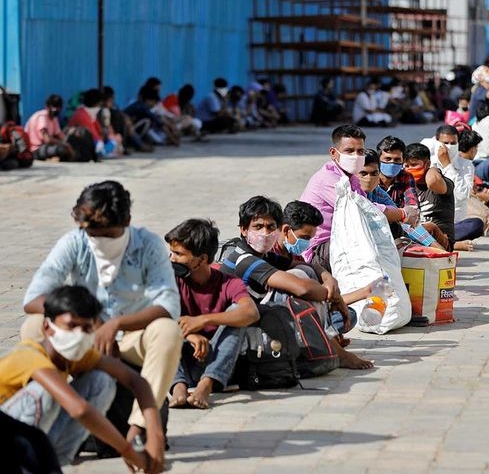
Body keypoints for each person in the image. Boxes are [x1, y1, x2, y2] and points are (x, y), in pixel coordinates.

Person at [21, 180, 182, 445]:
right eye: (92, 233)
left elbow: (168, 306)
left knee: (168, 331)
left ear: (127, 220)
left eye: (108, 234)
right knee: (34, 326)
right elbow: (33, 299)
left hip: (131, 338)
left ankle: (141, 426)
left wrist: (116, 324)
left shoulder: (148, 245)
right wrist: (85, 324)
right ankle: (43, 414)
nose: (98, 240)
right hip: (83, 335)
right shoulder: (75, 242)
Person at [2, 286, 164, 471]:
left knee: (101, 382)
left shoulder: (76, 356)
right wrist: (129, 452)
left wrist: (155, 436)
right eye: (71, 326)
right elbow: (80, 409)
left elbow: (137, 381)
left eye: (86, 328)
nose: (78, 334)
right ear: (47, 327)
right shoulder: (30, 355)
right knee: (45, 391)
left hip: (28, 438)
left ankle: (52, 462)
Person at [219, 196, 372, 369]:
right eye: (258, 226)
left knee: (306, 274)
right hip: (241, 328)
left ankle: (323, 339)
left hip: (263, 318)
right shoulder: (245, 259)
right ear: (244, 230)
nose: (265, 232)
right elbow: (301, 289)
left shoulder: (265, 255)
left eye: (270, 227)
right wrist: (336, 299)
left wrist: (329, 279)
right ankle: (331, 346)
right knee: (291, 288)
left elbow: (309, 267)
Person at [165, 219, 258, 409]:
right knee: (160, 324)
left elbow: (251, 312)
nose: (171, 259)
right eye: (172, 252)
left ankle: (205, 386)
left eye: (178, 254)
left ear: (203, 259)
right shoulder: (169, 279)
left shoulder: (229, 283)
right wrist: (190, 335)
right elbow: (157, 316)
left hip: (219, 363)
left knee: (237, 313)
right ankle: (178, 386)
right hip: (181, 358)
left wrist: (203, 320)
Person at [299, 125, 407, 272]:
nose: (356, 156)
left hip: (340, 242)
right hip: (321, 249)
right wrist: (403, 214)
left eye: (360, 151)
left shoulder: (352, 178)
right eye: (349, 151)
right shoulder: (329, 178)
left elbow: (380, 208)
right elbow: (365, 211)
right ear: (333, 153)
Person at [358, 149, 445, 251]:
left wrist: (435, 247)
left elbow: (406, 220)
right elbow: (374, 210)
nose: (369, 178)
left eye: (374, 173)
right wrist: (401, 214)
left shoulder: (377, 191)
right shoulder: (348, 191)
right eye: (363, 174)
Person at [421, 125, 484, 251]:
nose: (449, 147)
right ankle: (452, 244)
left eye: (453, 143)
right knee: (423, 228)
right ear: (437, 142)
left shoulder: (466, 165)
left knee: (476, 225)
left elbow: (462, 195)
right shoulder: (429, 162)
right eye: (445, 143)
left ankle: (444, 242)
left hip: (452, 224)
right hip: (427, 219)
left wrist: (447, 165)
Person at [403, 143, 455, 250]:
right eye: (406, 166)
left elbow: (433, 181)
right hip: (410, 235)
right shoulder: (404, 186)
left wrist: (433, 169)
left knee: (428, 227)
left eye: (414, 165)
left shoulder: (442, 183)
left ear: (427, 164)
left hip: (439, 238)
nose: (409, 169)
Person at [24, 95, 74, 161]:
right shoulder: (42, 117)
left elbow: (59, 134)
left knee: (70, 147)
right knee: (61, 150)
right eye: (53, 106)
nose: (55, 109)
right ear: (47, 107)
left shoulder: (54, 118)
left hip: (45, 147)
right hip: (35, 149)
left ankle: (54, 157)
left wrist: (69, 143)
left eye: (57, 107)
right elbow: (47, 140)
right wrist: (64, 144)